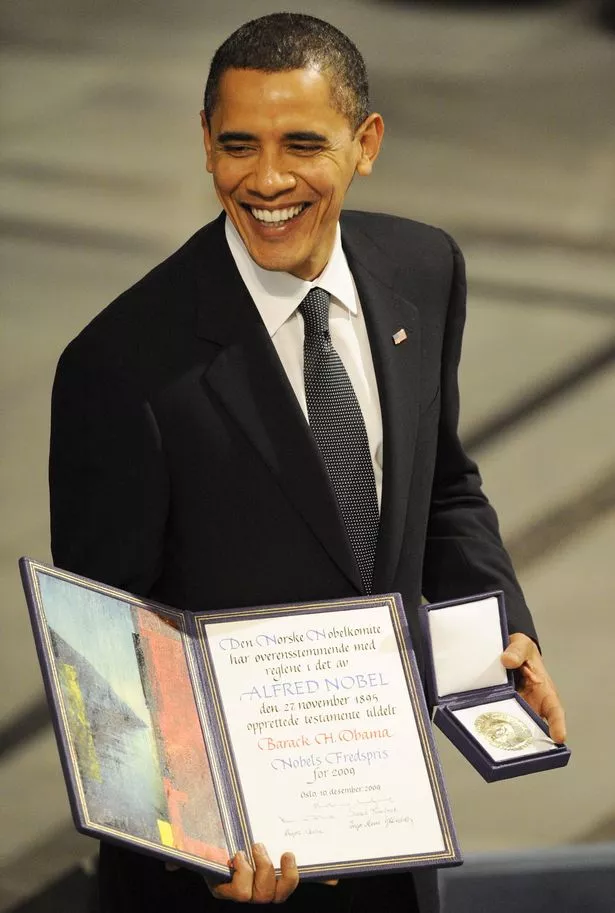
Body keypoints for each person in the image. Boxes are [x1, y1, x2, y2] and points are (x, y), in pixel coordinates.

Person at [49, 12, 566, 913]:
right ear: (205, 144)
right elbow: (112, 656)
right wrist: (201, 835)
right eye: (238, 145)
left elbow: (441, 486)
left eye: (302, 144)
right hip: (229, 878)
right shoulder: (121, 366)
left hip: (392, 846)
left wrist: (503, 638)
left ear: (364, 144)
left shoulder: (423, 267)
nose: (268, 179)